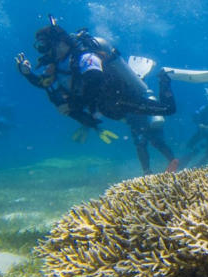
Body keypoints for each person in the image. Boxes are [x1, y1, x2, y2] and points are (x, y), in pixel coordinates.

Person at [15, 16, 179, 173]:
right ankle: (149, 170)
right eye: (41, 45)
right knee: (140, 135)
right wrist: (27, 73)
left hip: (122, 100)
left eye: (46, 44)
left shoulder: (85, 57)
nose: (44, 50)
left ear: (60, 42)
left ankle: (164, 77)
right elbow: (45, 84)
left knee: (168, 110)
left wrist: (73, 104)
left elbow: (96, 84)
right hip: (108, 108)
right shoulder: (56, 65)